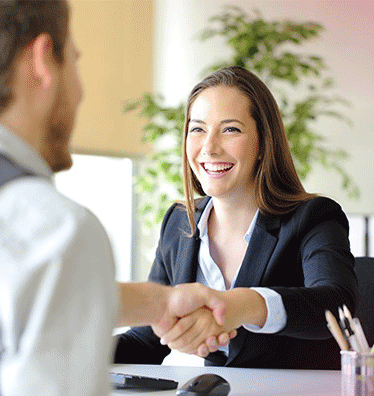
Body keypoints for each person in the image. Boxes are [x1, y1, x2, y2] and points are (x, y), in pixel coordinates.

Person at [0, 1, 233, 396]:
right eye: (73, 62)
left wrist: (158, 302)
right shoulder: (55, 229)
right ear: (42, 64)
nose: (80, 91)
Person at [113, 66, 358, 369]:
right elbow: (145, 341)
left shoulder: (313, 218)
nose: (209, 147)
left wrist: (239, 306)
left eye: (230, 129)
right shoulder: (179, 222)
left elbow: (336, 304)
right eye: (197, 129)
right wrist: (70, 348)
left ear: (262, 144)